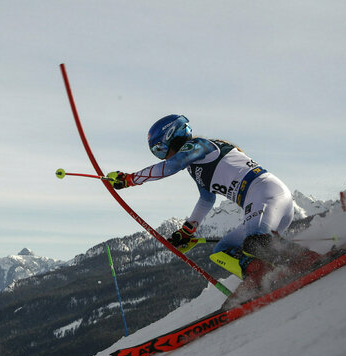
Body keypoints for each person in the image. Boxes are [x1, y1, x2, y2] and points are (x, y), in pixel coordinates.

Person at [106, 114, 319, 288]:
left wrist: (130, 179)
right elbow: (207, 199)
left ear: (174, 136)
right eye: (156, 152)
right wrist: (188, 231)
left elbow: (171, 166)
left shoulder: (199, 146)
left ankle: (309, 260)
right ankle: (260, 275)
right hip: (261, 204)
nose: (162, 156)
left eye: (160, 149)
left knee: (255, 243)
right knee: (222, 251)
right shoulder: (195, 166)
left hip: (266, 193)